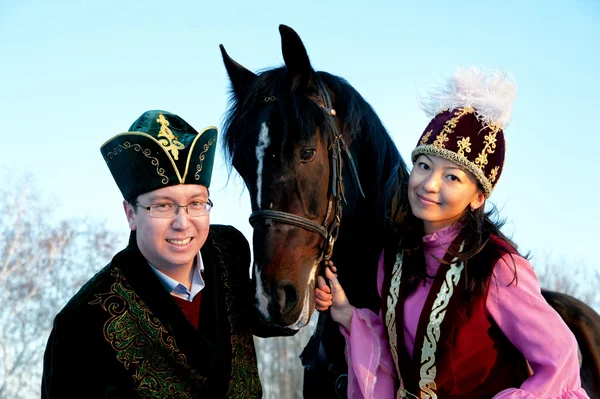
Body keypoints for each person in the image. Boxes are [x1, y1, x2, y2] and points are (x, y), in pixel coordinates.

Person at [315, 68, 590, 398]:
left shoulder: (497, 267)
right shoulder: (393, 259)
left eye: (452, 177)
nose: (429, 185)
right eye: (424, 166)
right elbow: (396, 363)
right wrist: (346, 313)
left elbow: (559, 360)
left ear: (478, 197)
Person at [42, 110, 290, 398]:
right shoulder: (81, 324)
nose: (182, 223)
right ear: (130, 214)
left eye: (196, 203)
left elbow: (260, 316)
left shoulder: (229, 250)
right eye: (162, 206)